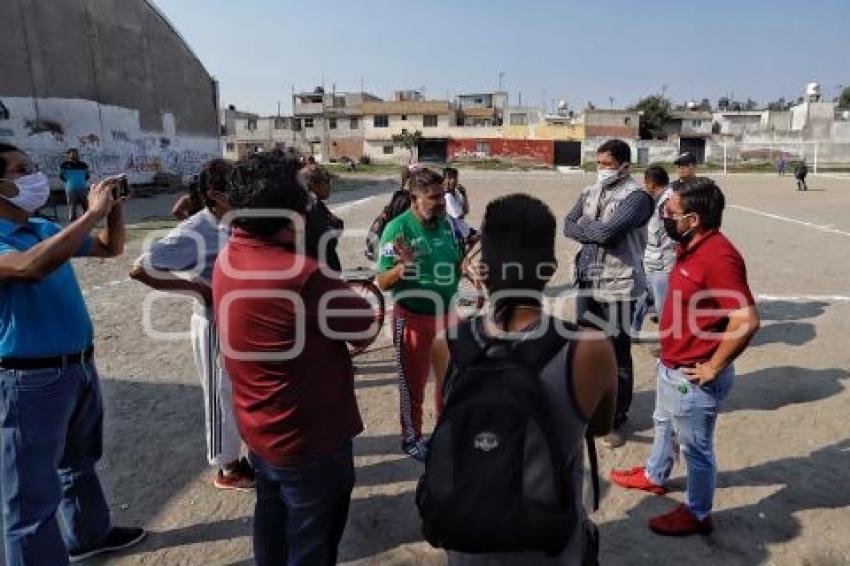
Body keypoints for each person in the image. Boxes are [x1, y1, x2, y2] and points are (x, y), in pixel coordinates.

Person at [430, 194, 618, 565]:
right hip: (548, 542)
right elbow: (600, 425)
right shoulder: (590, 347)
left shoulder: (448, 343)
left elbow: (450, 423)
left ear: (482, 271)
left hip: (468, 541)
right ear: (549, 270)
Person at [212, 154, 376, 565]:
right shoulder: (303, 274)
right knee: (312, 543)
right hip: (310, 438)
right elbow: (362, 327)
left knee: (271, 522)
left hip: (262, 426)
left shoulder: (230, 253)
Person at [0, 143, 145, 564]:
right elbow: (29, 269)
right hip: (28, 378)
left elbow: (110, 248)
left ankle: (88, 534)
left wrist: (113, 210)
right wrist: (90, 213)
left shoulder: (42, 228)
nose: (33, 176)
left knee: (78, 464)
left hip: (77, 366)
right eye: (20, 169)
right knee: (28, 497)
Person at [610, 178, 760, 536]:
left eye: (670, 212)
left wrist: (713, 366)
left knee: (696, 449)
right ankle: (654, 475)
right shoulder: (689, 245)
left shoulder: (719, 256)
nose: (663, 216)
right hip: (672, 365)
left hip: (694, 375)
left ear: (692, 219)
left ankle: (697, 512)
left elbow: (746, 319)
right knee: (663, 423)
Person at [130, 158, 256, 491]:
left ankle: (247, 450)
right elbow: (141, 267)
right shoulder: (196, 229)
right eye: (237, 186)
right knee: (220, 393)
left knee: (242, 389)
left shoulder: (234, 220)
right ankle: (227, 466)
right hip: (215, 322)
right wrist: (198, 288)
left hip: (241, 321)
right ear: (216, 194)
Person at [563, 139, 653, 448]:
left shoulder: (637, 197)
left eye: (607, 164)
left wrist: (588, 225)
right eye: (598, 163)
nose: (601, 169)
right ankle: (587, 410)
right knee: (585, 349)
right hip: (587, 280)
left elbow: (607, 233)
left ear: (624, 166)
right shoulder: (590, 192)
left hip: (618, 286)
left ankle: (614, 419)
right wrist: (594, 226)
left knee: (616, 353)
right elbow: (566, 225)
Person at [376, 167, 462, 461]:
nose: (441, 202)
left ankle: (445, 431)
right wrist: (403, 268)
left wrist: (468, 268)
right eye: (434, 197)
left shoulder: (446, 223)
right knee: (412, 385)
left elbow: (457, 257)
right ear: (414, 198)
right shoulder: (396, 230)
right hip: (413, 319)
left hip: (447, 317)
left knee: (449, 380)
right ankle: (411, 438)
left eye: (443, 195)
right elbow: (382, 281)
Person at [632, 165, 675, 334]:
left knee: (662, 304)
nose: (644, 187)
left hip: (662, 262)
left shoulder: (669, 202)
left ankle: (668, 341)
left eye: (645, 183)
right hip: (649, 258)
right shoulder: (657, 199)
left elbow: (670, 236)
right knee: (642, 296)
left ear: (651, 183)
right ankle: (632, 329)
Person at [302, 165, 344, 271]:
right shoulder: (312, 204)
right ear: (314, 185)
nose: (330, 186)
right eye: (326, 182)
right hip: (318, 271)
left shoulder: (311, 202)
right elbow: (327, 236)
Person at [59, 148, 91, 222]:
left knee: (86, 207)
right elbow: (61, 176)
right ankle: (73, 223)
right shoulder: (64, 165)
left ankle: (87, 221)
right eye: (72, 153)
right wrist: (70, 182)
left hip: (83, 189)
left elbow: (87, 176)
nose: (74, 155)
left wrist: (80, 181)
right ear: (68, 155)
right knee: (72, 207)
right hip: (71, 189)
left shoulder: (83, 165)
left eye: (76, 153)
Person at [443, 167, 473, 240]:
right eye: (450, 178)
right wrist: (462, 210)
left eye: (455, 178)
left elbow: (466, 211)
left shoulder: (456, 193)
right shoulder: (447, 196)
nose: (453, 180)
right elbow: (460, 216)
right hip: (456, 231)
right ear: (443, 180)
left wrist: (464, 195)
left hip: (463, 228)